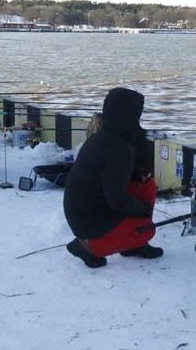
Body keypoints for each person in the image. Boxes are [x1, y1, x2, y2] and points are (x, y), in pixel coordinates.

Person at [63, 87, 163, 268]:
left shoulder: (110, 135)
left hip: (92, 206)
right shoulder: (115, 148)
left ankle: (134, 246)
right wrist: (143, 209)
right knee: (146, 229)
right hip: (87, 219)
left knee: (147, 185)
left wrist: (140, 173)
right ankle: (86, 246)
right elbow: (117, 199)